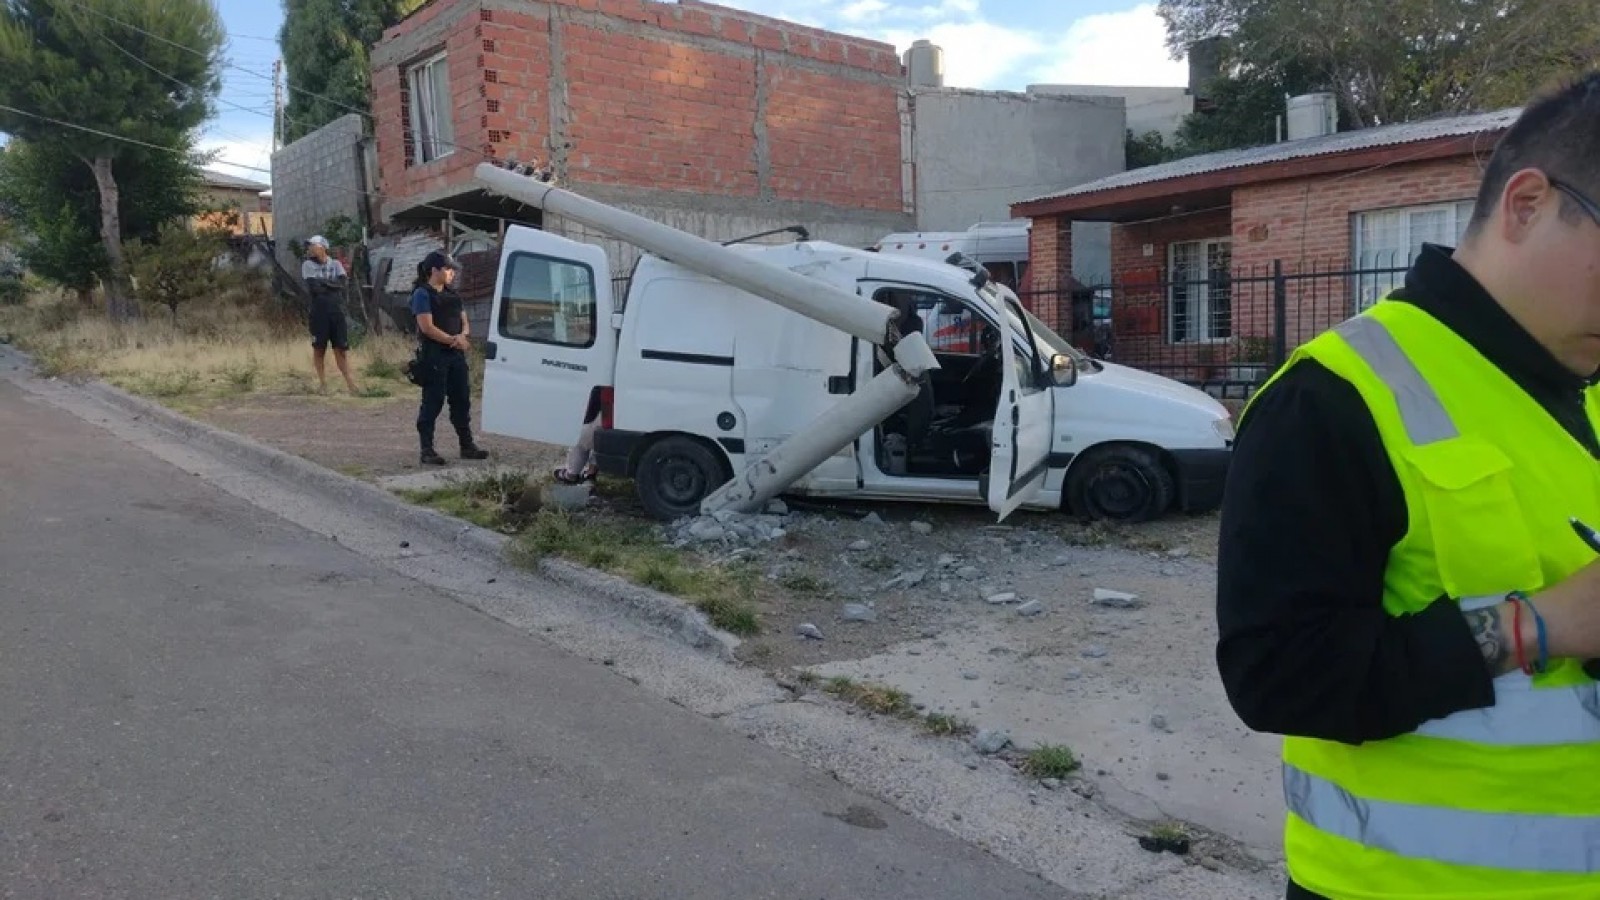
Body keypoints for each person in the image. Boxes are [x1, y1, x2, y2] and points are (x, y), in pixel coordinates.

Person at [1216, 73, 1600, 899]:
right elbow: (1277, 677)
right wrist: (1540, 625)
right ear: (1528, 205)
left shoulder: (1587, 392)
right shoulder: (1333, 397)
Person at [409, 250, 489, 466]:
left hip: (456, 355)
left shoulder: (453, 295)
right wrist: (453, 340)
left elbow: (465, 322)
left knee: (461, 400)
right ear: (434, 270)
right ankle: (427, 450)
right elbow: (427, 327)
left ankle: (467, 445)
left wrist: (462, 337)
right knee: (432, 401)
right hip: (434, 355)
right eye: (448, 269)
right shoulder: (422, 294)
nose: (452, 273)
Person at [301, 235, 359, 394]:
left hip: (336, 311)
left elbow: (342, 284)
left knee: (341, 348)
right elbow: (314, 288)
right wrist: (332, 285)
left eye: (313, 246)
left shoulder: (336, 264)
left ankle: (350, 383)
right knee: (319, 348)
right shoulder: (307, 265)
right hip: (319, 312)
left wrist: (325, 284)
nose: (310, 249)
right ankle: (323, 384)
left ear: (322, 247)